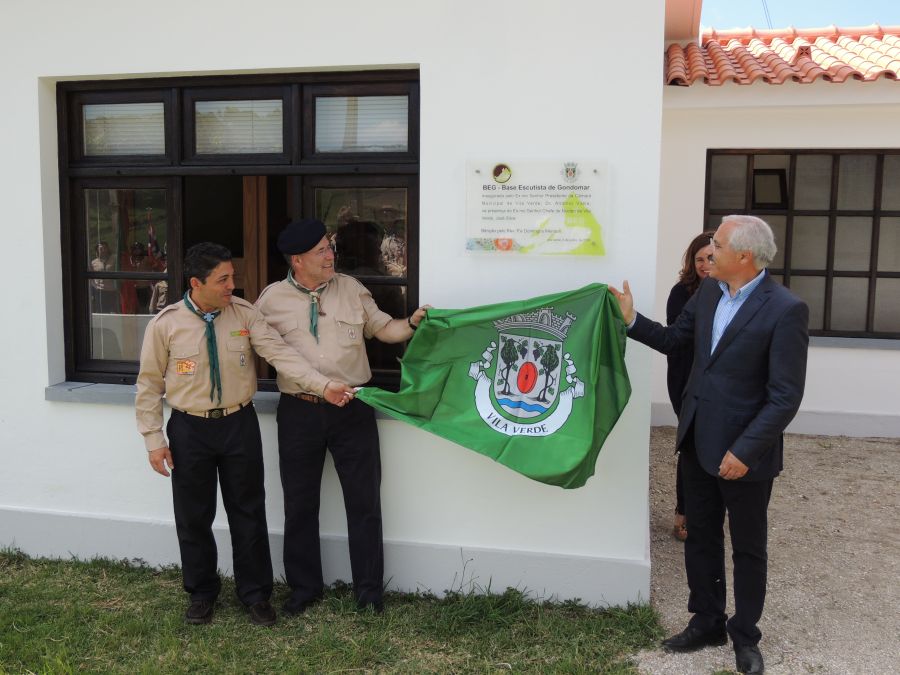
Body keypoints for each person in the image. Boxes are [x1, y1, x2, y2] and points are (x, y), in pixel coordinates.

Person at [610, 215, 808, 675]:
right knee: (700, 535)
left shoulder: (785, 309)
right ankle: (706, 621)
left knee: (748, 546)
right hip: (698, 439)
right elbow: (674, 341)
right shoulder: (708, 294)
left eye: (716, 246)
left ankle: (745, 634)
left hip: (744, 453)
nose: (707, 253)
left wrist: (746, 451)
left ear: (744, 256)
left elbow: (785, 396)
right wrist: (631, 320)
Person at [135, 242, 354, 627]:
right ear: (195, 283)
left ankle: (255, 595)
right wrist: (154, 440)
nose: (231, 286)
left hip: (239, 424)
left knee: (248, 512)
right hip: (189, 427)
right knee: (193, 516)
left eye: (232, 277)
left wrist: (322, 386)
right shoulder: (165, 324)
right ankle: (202, 593)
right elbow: (149, 385)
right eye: (222, 280)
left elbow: (281, 355)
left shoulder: (245, 314)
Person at [255, 218, 428, 615]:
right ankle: (303, 590)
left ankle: (369, 593)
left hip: (354, 407)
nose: (331, 255)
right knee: (300, 504)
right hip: (300, 410)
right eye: (321, 251)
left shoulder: (351, 288)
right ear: (297, 260)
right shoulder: (271, 300)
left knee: (364, 502)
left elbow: (383, 329)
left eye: (330, 247)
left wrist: (412, 324)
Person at [667, 231, 715, 541]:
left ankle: (707, 511)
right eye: (699, 259)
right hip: (685, 378)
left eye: (711, 257)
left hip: (716, 383)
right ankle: (683, 513)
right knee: (690, 448)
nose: (705, 264)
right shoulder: (681, 292)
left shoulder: (731, 291)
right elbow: (676, 339)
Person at [90, 241, 118, 313]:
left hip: (113, 291)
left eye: (105, 248)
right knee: (102, 312)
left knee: (114, 312)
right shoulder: (93, 263)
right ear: (97, 251)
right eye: (101, 249)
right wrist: (95, 286)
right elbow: (90, 277)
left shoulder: (115, 258)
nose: (103, 250)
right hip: (100, 292)